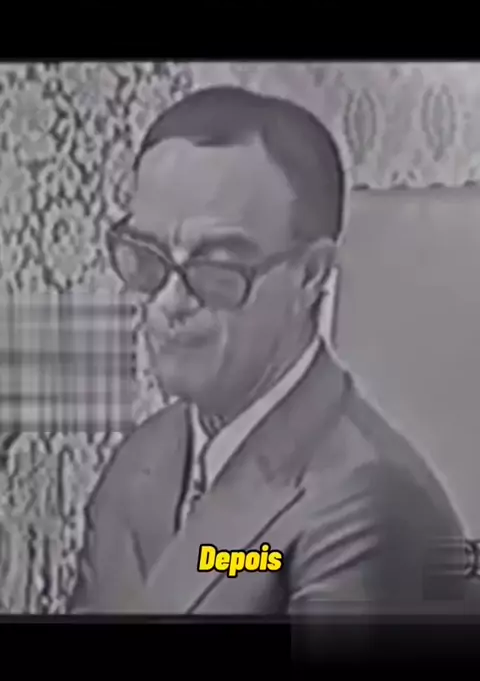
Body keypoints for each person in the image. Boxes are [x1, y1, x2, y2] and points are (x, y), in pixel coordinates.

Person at [69, 84, 471, 616]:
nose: (169, 302)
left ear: (310, 276)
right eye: (145, 258)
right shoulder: (140, 459)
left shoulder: (367, 502)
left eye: (216, 268)